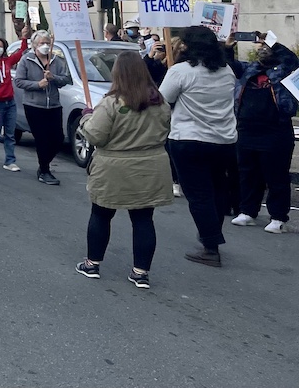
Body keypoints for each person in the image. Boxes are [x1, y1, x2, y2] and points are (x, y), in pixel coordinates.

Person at [76, 53, 173, 289]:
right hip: (150, 166)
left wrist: (86, 119)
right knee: (143, 219)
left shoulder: (111, 103)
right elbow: (166, 129)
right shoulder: (159, 101)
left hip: (114, 166)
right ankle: (141, 272)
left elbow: (95, 135)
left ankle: (92, 263)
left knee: (101, 214)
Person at [160, 26, 238, 267]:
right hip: (223, 141)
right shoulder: (227, 71)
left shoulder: (181, 71)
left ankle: (210, 246)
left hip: (189, 139)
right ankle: (211, 234)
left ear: (187, 46)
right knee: (217, 191)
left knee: (199, 195)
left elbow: (163, 99)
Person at [228, 34, 297, 234]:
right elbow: (230, 64)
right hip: (247, 129)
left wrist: (273, 40)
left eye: (266, 48)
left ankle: (278, 217)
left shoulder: (285, 70)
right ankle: (248, 211)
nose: (262, 50)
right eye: (260, 48)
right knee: (248, 173)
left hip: (275, 131)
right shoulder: (250, 69)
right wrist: (227, 46)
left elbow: (292, 59)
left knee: (276, 176)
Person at [13, 30, 72, 185]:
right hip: (34, 105)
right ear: (34, 45)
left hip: (53, 104)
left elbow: (65, 79)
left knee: (58, 138)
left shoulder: (56, 60)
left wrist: (54, 78)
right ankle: (44, 170)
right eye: (42, 43)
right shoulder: (27, 60)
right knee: (42, 139)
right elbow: (19, 81)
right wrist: (37, 85)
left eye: (47, 43)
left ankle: (44, 164)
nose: (45, 46)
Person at [0, 30, 29, 171]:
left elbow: (22, 52)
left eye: (1, 46)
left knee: (10, 133)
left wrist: (24, 37)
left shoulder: (7, 61)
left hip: (10, 103)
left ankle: (10, 161)